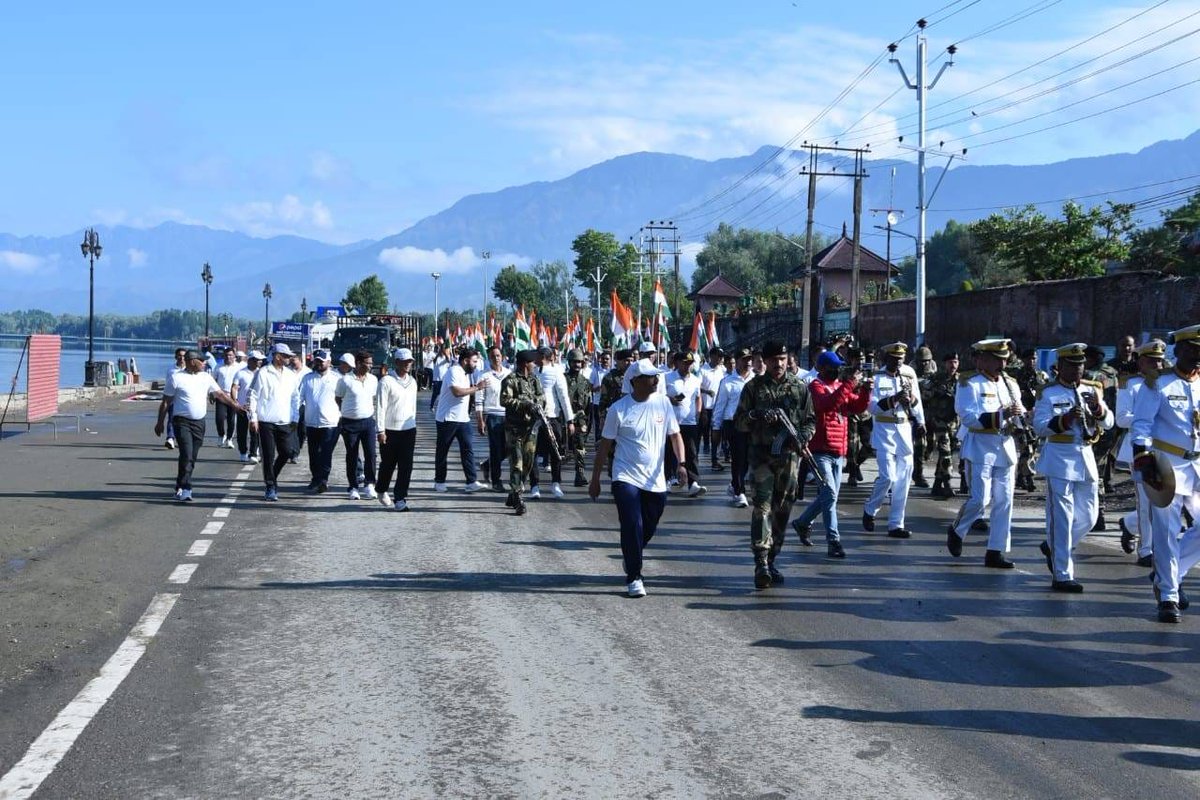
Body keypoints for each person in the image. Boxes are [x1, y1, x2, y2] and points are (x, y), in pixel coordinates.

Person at [589, 358, 687, 598]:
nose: (656, 380)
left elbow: (675, 436)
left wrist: (682, 464)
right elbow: (604, 447)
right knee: (632, 524)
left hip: (655, 479)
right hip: (625, 476)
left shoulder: (663, 403)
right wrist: (595, 480)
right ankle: (634, 576)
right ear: (635, 381)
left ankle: (632, 554)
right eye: (651, 377)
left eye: (656, 376)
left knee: (649, 526)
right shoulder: (618, 409)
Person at [1131, 323, 1200, 624]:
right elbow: (1142, 424)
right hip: (1166, 465)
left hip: (1197, 464)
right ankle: (1169, 595)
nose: (1198, 356)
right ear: (1180, 350)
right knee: (1166, 531)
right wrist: (1144, 461)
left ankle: (1167, 573)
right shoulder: (1158, 382)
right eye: (1193, 349)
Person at [1032, 343, 1114, 592]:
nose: (1078, 368)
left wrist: (1098, 409)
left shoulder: (1093, 388)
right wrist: (1065, 420)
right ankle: (1063, 575)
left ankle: (1054, 546)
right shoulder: (1048, 393)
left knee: (1089, 517)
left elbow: (1110, 422)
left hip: (1086, 456)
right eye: (1073, 364)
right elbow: (1039, 427)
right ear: (1060, 367)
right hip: (1059, 456)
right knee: (1063, 518)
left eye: (1081, 364)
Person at [735, 341, 816, 587]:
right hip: (761, 458)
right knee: (762, 508)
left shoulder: (799, 387)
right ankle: (760, 561)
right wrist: (756, 416)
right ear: (765, 361)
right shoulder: (753, 388)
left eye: (782, 358)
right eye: (773, 360)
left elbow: (810, 421)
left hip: (790, 459)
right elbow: (738, 421)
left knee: (783, 510)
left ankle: (771, 560)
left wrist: (802, 437)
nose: (778, 364)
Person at [948, 338, 1026, 568]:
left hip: (1005, 445)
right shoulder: (969, 383)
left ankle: (996, 550)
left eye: (1004, 359)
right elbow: (967, 415)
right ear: (983, 359)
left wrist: (1022, 418)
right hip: (980, 445)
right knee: (980, 499)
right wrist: (1001, 415)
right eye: (996, 359)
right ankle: (957, 529)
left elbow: (1018, 412)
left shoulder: (1010, 383)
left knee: (1005, 500)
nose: (1002, 364)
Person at [791, 350, 871, 551]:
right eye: (833, 367)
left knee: (829, 496)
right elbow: (828, 405)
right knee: (829, 494)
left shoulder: (838, 386)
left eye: (838, 367)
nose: (836, 371)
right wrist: (850, 384)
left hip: (838, 450)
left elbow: (857, 406)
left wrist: (866, 392)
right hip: (819, 450)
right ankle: (833, 540)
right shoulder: (815, 387)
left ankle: (802, 523)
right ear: (822, 368)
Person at [153, 350, 242, 501]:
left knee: (191, 457)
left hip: (199, 423)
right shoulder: (176, 378)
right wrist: (160, 422)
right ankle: (186, 488)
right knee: (187, 454)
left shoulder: (206, 377)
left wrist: (235, 406)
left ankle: (180, 485)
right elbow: (166, 402)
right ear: (192, 361)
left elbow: (220, 394)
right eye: (202, 360)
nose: (205, 363)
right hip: (182, 422)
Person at [863, 342, 926, 540]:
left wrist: (920, 418)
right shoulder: (876, 377)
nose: (898, 362)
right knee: (888, 476)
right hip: (884, 430)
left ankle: (896, 524)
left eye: (901, 359)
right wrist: (895, 399)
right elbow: (872, 408)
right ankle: (870, 509)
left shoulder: (909, 374)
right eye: (894, 359)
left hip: (904, 428)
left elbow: (917, 399)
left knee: (904, 480)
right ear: (886, 359)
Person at [1115, 340, 1167, 564]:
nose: (1157, 364)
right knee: (1147, 501)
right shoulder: (1131, 385)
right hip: (1140, 447)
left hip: (1168, 448)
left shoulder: (1167, 383)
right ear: (1140, 362)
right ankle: (1146, 550)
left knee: (1168, 500)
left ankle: (1129, 523)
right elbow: (1121, 418)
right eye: (1151, 360)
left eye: (1159, 360)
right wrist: (1144, 418)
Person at [248, 343, 302, 501]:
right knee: (269, 455)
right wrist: (253, 417)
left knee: (287, 452)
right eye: (286, 356)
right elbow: (253, 395)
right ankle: (270, 486)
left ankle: (272, 475)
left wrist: (295, 417)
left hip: (285, 420)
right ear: (278, 356)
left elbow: (295, 397)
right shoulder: (263, 373)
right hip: (266, 421)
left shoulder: (290, 374)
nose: (289, 359)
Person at [434, 347, 488, 493]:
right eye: (474, 361)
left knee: (468, 449)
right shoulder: (454, 371)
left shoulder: (465, 373)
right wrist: (477, 388)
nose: (476, 364)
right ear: (465, 361)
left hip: (463, 419)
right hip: (448, 419)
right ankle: (439, 481)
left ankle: (471, 481)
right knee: (443, 451)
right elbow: (457, 392)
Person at [500, 349, 546, 514]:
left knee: (528, 462)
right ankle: (519, 498)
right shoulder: (510, 380)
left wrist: (537, 404)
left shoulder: (535, 380)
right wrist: (525, 404)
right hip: (514, 429)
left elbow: (542, 397)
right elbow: (504, 400)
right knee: (517, 463)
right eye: (533, 362)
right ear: (525, 363)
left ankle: (513, 493)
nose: (535, 364)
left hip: (531, 429)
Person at [375, 348, 418, 511]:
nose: (408, 364)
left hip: (408, 430)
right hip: (390, 430)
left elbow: (413, 407)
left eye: (410, 361)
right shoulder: (386, 381)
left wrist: (413, 425)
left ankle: (400, 498)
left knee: (406, 465)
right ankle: (381, 488)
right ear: (397, 362)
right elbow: (380, 407)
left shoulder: (412, 382)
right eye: (405, 361)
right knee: (388, 464)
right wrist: (380, 430)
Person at [713, 347, 755, 508]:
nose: (748, 363)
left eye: (749, 359)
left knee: (749, 459)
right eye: (744, 359)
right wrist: (716, 427)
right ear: (736, 362)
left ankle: (734, 484)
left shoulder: (756, 380)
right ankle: (739, 492)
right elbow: (720, 406)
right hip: (733, 424)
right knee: (738, 458)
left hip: (752, 424)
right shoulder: (727, 382)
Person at [336, 351, 380, 500]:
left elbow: (373, 398)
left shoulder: (373, 380)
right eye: (368, 363)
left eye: (371, 363)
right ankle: (353, 486)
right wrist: (347, 412)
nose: (371, 366)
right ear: (359, 363)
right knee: (352, 455)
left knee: (371, 454)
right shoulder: (345, 380)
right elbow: (338, 398)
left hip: (368, 422)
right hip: (350, 423)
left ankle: (369, 484)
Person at [532, 347, 574, 498]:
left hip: (552, 417)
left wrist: (570, 420)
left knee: (555, 452)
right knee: (533, 452)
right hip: (534, 417)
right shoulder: (532, 371)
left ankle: (556, 483)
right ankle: (534, 485)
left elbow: (564, 397)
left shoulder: (556, 372)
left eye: (537, 355)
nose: (534, 358)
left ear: (544, 356)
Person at [298, 349, 341, 494]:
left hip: (330, 422)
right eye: (317, 361)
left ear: (329, 362)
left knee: (326, 453)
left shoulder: (336, 379)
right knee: (313, 453)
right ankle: (315, 478)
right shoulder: (307, 378)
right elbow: (299, 398)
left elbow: (343, 399)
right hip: (311, 422)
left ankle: (323, 480)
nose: (319, 363)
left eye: (322, 361)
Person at [1009, 348, 1048, 493]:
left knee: (1032, 446)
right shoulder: (1016, 375)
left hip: (1036, 415)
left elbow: (1046, 394)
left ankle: (1021, 475)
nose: (1031, 361)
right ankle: (1029, 477)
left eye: (1033, 358)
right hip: (1020, 416)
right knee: (1026, 446)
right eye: (1028, 358)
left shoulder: (1042, 376)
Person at [667, 351, 706, 497]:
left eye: (690, 363)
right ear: (677, 363)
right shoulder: (667, 378)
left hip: (690, 422)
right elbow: (659, 396)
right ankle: (671, 479)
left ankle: (693, 482)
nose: (688, 366)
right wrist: (670, 400)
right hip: (671, 422)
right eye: (685, 363)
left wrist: (699, 411)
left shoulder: (695, 380)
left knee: (692, 452)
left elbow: (697, 397)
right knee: (671, 451)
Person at [923, 351, 961, 499]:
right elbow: (924, 395)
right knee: (945, 452)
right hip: (939, 420)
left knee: (949, 452)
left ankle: (937, 484)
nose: (953, 365)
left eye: (955, 362)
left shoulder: (961, 381)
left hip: (954, 422)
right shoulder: (936, 379)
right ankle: (947, 482)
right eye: (950, 362)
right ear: (945, 364)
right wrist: (937, 392)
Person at [476, 345, 511, 492]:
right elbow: (479, 400)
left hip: (508, 416)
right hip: (492, 416)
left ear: (502, 357)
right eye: (493, 356)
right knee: (496, 449)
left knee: (509, 449)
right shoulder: (484, 376)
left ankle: (487, 465)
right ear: (489, 359)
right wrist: (480, 420)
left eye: (498, 355)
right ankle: (496, 480)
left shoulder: (510, 374)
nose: (496, 358)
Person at [565, 349, 593, 487]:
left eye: (580, 362)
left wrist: (587, 423)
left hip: (580, 419)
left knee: (580, 447)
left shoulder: (586, 382)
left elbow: (588, 404)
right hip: (564, 417)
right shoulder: (562, 378)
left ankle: (579, 474)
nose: (577, 364)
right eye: (575, 361)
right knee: (560, 447)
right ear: (569, 362)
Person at [910, 345, 937, 488]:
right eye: (921, 361)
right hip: (916, 416)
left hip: (931, 415)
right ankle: (918, 474)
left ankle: (918, 466)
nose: (924, 364)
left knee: (931, 445)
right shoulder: (910, 374)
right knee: (920, 445)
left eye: (927, 361)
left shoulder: (935, 375)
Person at [233, 351, 263, 463]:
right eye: (256, 360)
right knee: (242, 431)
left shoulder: (262, 373)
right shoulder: (241, 373)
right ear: (250, 360)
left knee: (255, 430)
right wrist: (235, 402)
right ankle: (243, 452)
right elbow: (234, 388)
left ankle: (254, 452)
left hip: (256, 407)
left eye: (260, 360)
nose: (259, 362)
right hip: (243, 407)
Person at [699, 348, 726, 467]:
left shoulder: (723, 370)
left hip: (719, 407)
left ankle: (716, 456)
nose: (720, 358)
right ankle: (705, 445)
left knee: (717, 431)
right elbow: (697, 386)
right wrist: (706, 391)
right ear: (711, 356)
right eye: (717, 356)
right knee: (705, 428)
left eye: (721, 356)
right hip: (706, 406)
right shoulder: (703, 370)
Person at [213, 347, 241, 449]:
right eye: (226, 355)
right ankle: (221, 435)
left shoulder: (239, 368)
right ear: (223, 356)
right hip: (221, 396)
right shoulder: (218, 367)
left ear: (234, 357)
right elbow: (213, 380)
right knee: (219, 418)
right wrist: (212, 394)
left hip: (233, 396)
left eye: (230, 355)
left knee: (231, 419)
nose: (228, 357)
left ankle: (229, 439)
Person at [161, 347, 187, 450]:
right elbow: (167, 385)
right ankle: (170, 438)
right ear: (176, 357)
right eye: (179, 356)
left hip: (184, 399)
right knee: (171, 418)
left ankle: (182, 438)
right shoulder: (171, 370)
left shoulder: (189, 369)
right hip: (173, 398)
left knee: (183, 420)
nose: (181, 358)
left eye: (184, 356)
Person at [429, 342, 453, 411]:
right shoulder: (436, 356)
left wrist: (446, 353)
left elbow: (448, 360)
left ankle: (442, 406)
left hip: (444, 379)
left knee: (443, 393)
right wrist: (441, 351)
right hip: (436, 378)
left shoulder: (447, 358)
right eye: (443, 349)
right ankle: (431, 405)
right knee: (435, 393)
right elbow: (434, 361)